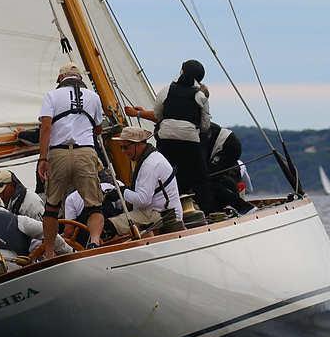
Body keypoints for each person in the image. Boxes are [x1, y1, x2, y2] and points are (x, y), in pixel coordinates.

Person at [125, 59, 213, 212]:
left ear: (181, 71)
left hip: (166, 140)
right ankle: (208, 211)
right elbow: (205, 125)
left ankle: (165, 210)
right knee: (201, 178)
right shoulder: (200, 96)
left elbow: (159, 115)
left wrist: (140, 112)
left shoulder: (165, 91)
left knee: (166, 174)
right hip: (189, 140)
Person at [38, 62, 105, 254]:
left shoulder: (51, 95)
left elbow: (46, 128)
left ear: (60, 79)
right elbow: (98, 128)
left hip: (58, 153)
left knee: (52, 206)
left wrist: (43, 159)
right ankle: (94, 241)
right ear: (80, 79)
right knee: (94, 205)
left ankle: (49, 251)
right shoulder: (94, 97)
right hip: (85, 152)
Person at [103, 127, 183, 237]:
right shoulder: (149, 158)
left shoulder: (150, 164)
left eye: (125, 147)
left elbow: (143, 200)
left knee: (109, 226)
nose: (123, 151)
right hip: (158, 211)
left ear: (138, 144)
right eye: (121, 147)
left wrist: (121, 192)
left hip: (163, 215)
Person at [202, 123, 255, 214]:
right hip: (225, 144)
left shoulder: (238, 164)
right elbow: (249, 190)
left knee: (207, 179)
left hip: (225, 144)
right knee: (208, 180)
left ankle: (244, 208)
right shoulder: (240, 164)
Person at [63, 170, 124, 246]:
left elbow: (69, 231)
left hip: (89, 244)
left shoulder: (72, 198)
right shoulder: (117, 185)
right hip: (118, 238)